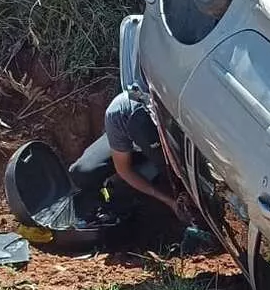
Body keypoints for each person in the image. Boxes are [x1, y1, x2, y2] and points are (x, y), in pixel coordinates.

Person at [67, 91, 186, 220]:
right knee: (81, 173)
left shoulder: (170, 105)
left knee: (171, 175)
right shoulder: (118, 114)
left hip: (164, 145)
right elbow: (124, 170)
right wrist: (169, 201)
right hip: (127, 146)